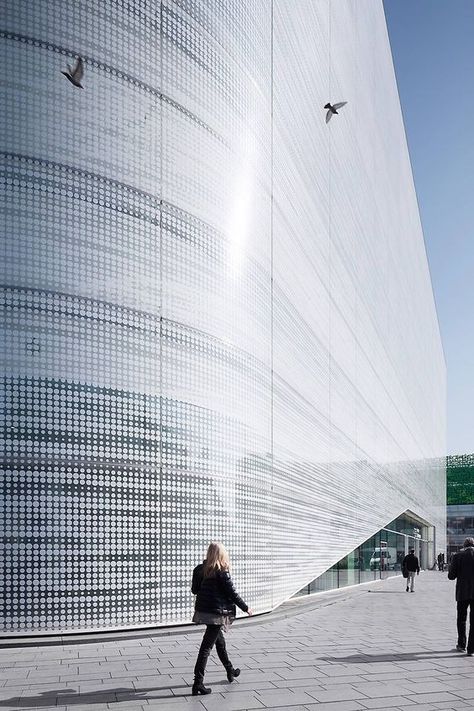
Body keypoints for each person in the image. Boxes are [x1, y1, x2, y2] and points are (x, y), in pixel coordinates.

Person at [191, 542, 253, 695]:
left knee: (220, 643)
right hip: (216, 614)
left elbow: (195, 590)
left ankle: (230, 670)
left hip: (204, 612)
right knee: (206, 648)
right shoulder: (221, 572)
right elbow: (232, 593)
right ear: (221, 554)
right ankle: (198, 683)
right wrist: (246, 608)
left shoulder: (199, 570)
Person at [448, 537, 474, 656]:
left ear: (464, 545)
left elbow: (451, 576)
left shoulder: (458, 556)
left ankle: (461, 645)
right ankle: (471, 648)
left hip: (462, 592)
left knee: (461, 619)